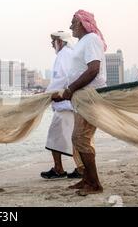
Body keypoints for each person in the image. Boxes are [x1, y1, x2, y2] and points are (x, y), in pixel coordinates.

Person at [53, 9, 107, 196]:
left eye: (73, 23)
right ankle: (87, 180)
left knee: (80, 138)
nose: (70, 26)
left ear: (83, 24)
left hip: (88, 96)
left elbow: (93, 69)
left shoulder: (91, 39)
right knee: (80, 138)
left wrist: (70, 89)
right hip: (81, 97)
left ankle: (95, 184)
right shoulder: (82, 42)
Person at [41, 31, 84, 180]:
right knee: (73, 137)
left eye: (53, 42)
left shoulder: (64, 54)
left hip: (64, 104)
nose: (52, 45)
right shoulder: (69, 53)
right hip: (69, 104)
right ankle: (79, 168)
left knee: (55, 136)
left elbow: (63, 77)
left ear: (60, 41)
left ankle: (60, 169)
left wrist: (47, 94)